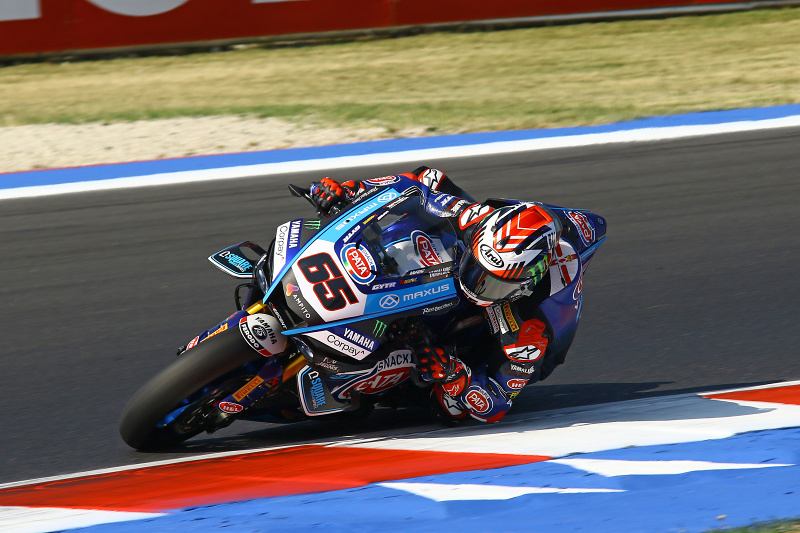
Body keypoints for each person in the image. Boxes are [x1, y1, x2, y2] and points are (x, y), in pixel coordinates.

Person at [308, 167, 582, 424]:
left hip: (494, 344)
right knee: (421, 212)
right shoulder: (476, 220)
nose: (477, 285)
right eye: (476, 269)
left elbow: (497, 402)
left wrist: (454, 374)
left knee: (448, 407)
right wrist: (352, 190)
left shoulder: (529, 329)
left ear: (525, 284)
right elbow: (420, 182)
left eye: (493, 284)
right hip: (458, 256)